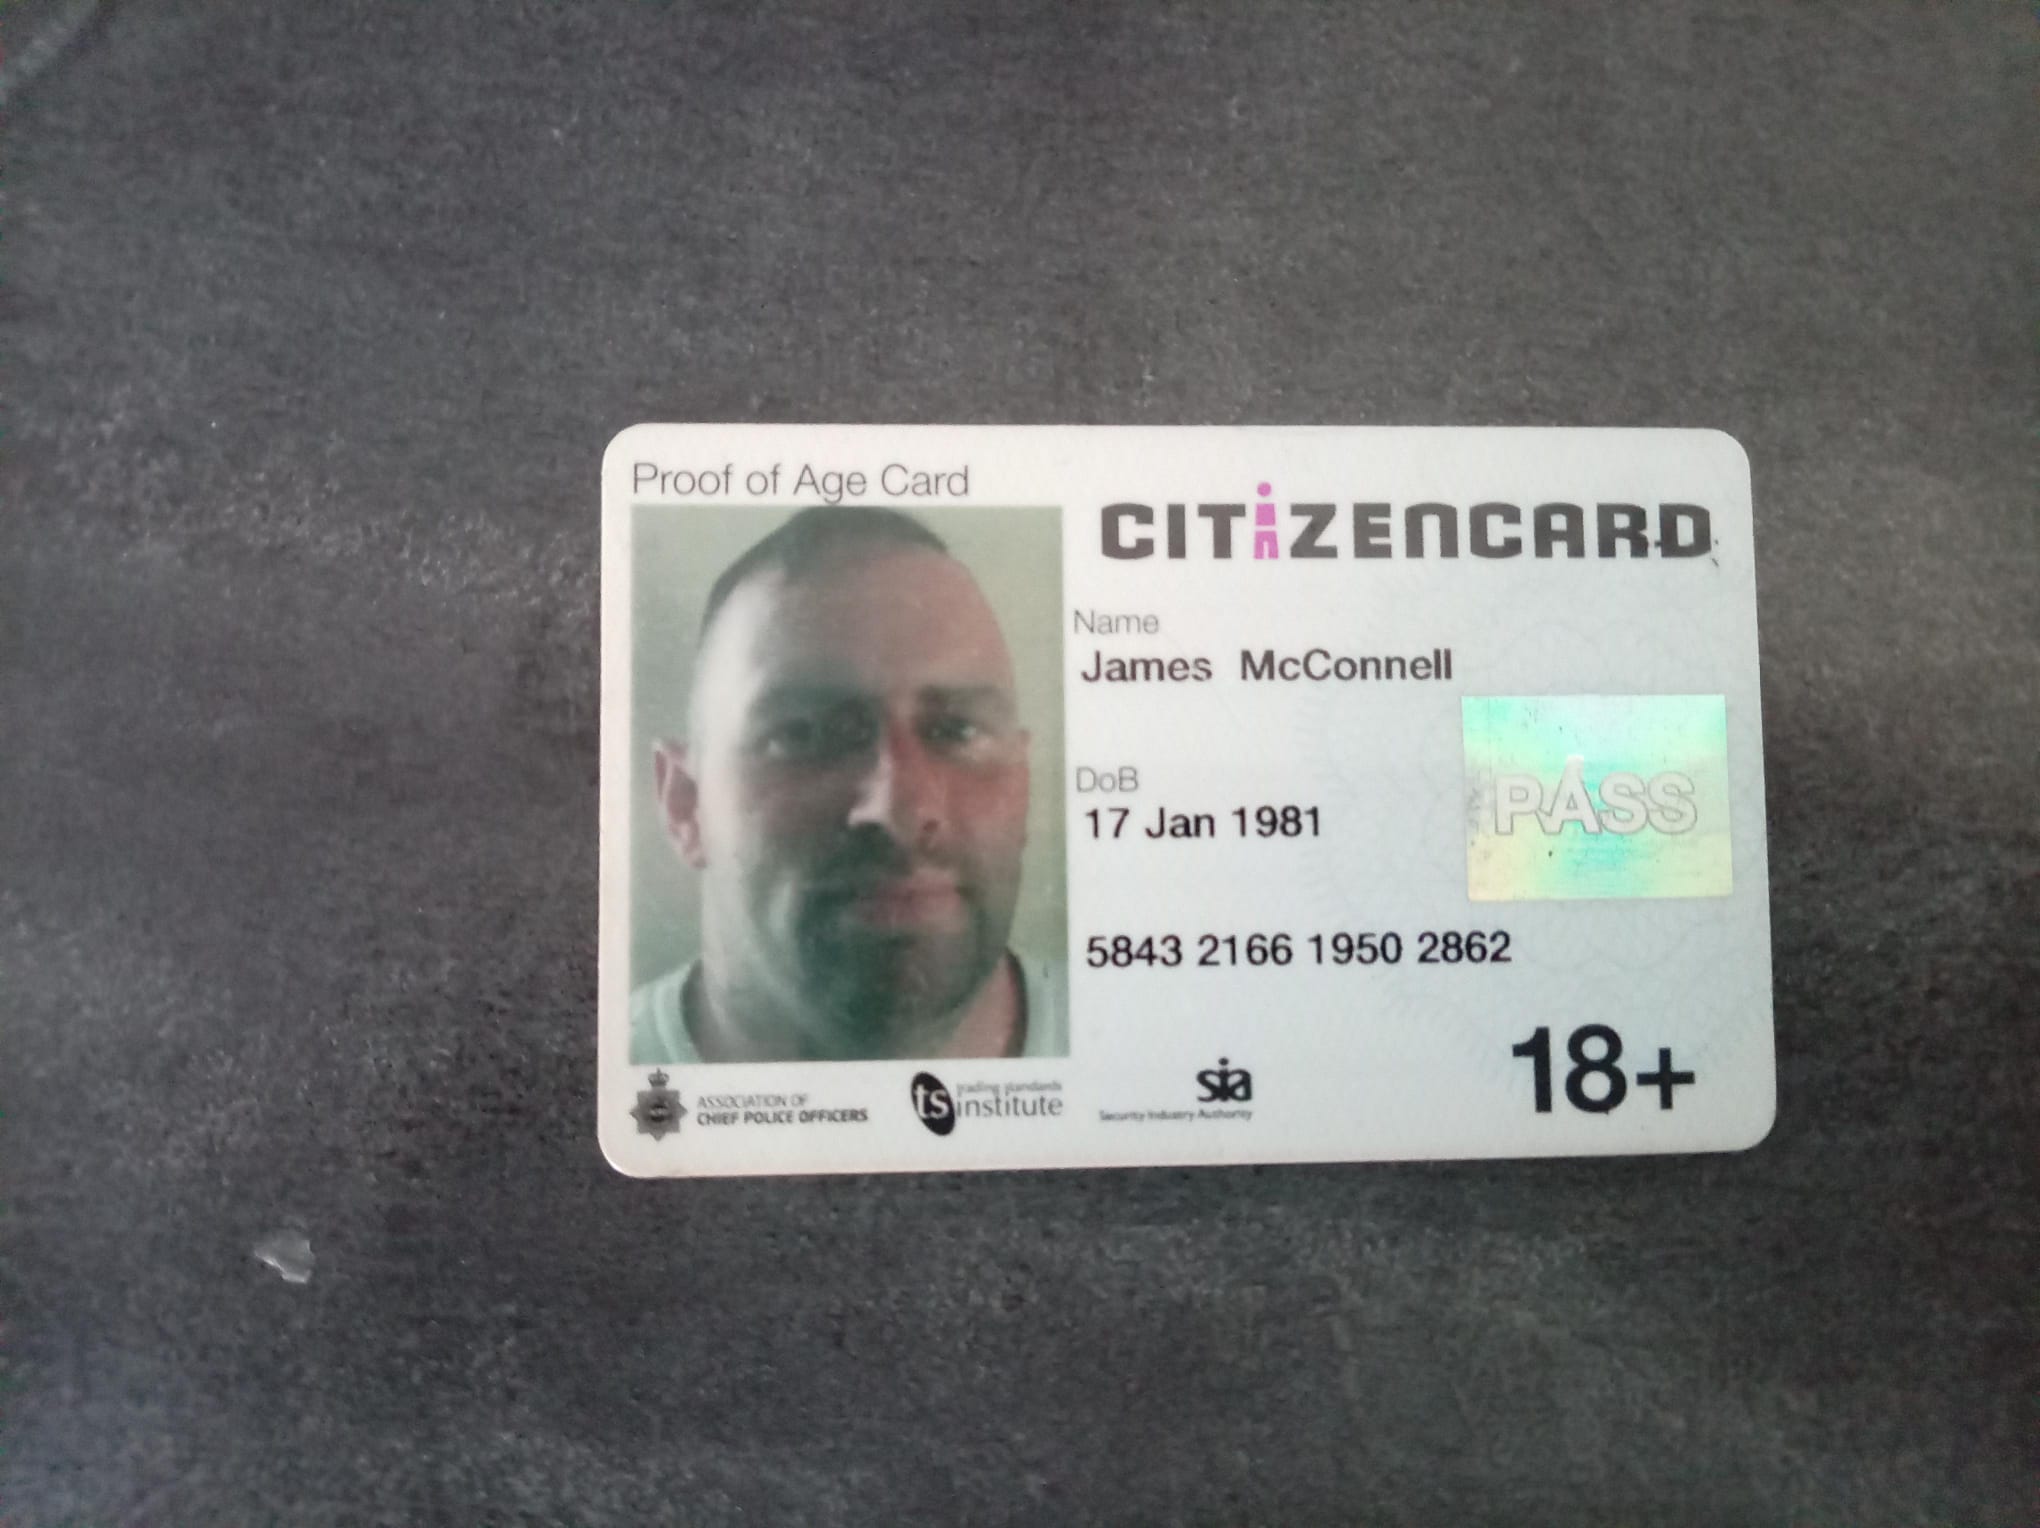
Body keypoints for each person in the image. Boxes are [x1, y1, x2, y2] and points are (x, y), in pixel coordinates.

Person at [630, 506, 1067, 1063]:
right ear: (684, 803)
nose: (899, 810)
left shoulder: (1140, 1042)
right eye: (803, 735)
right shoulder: (589, 1070)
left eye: (956, 731)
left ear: (1023, 787)